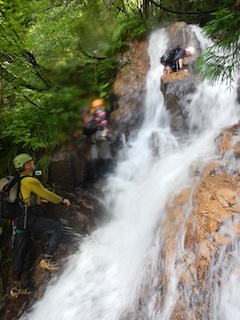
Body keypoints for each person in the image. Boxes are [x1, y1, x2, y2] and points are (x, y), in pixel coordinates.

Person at [10, 153, 71, 298]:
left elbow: (25, 198)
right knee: (57, 228)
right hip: (28, 219)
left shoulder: (18, 181)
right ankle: (48, 258)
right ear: (26, 166)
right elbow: (48, 194)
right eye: (31, 162)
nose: (33, 163)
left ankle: (16, 287)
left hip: (18, 221)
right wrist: (62, 200)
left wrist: (38, 201)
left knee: (19, 253)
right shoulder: (30, 180)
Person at [90, 99, 112, 179]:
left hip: (94, 135)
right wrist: (108, 136)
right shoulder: (101, 113)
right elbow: (104, 125)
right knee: (106, 154)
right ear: (101, 105)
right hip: (101, 134)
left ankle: (94, 174)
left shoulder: (92, 114)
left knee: (94, 155)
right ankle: (106, 173)